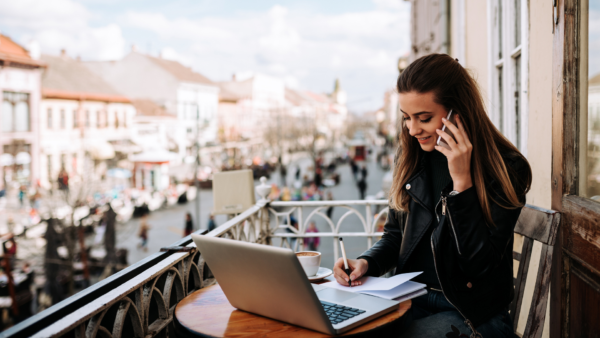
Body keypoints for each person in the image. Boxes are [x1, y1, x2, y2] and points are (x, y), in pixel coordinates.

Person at [332, 54, 532, 338]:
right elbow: (395, 236)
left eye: (423, 118)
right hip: (407, 301)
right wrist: (366, 263)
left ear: (457, 112)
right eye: (406, 118)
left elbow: (479, 266)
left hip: (470, 314)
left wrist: (462, 184)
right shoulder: (413, 157)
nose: (413, 130)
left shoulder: (506, 168)